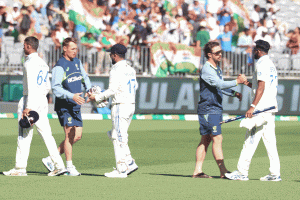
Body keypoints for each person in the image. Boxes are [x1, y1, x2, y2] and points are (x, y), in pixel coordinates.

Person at [3, 36, 66, 176]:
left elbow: (31, 85)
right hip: (42, 100)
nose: (23, 48)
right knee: (47, 134)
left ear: (28, 46)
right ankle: (59, 165)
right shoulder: (43, 63)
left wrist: (28, 106)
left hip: (30, 99)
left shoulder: (29, 63)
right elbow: (47, 86)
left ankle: (20, 168)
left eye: (24, 45)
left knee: (24, 133)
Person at [225, 40, 281, 181]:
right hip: (269, 108)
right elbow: (259, 87)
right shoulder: (271, 65)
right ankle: (275, 174)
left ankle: (242, 172)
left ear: (258, 51)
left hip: (261, 109)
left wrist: (252, 106)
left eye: (254, 49)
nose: (253, 52)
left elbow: (261, 88)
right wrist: (246, 83)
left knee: (250, 139)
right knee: (270, 142)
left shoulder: (262, 64)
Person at [193, 41, 246, 178]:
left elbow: (220, 87)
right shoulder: (207, 69)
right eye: (217, 53)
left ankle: (197, 171)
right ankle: (223, 172)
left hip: (214, 108)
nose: (220, 55)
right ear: (209, 55)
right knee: (217, 138)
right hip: (209, 109)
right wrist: (237, 82)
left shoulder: (216, 68)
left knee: (205, 139)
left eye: (221, 52)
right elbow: (218, 84)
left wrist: (234, 93)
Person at [42, 37, 92, 176]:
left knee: (78, 136)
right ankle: (69, 167)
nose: (75, 52)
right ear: (65, 49)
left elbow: (84, 77)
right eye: (72, 49)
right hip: (64, 105)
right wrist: (72, 96)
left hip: (75, 105)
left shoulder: (77, 62)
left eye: (76, 49)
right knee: (69, 135)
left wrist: (89, 89)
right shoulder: (60, 66)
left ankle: (52, 158)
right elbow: (56, 89)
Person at [88, 44, 138, 178]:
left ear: (115, 55)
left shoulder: (115, 69)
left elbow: (112, 90)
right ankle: (129, 161)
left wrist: (97, 97)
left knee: (119, 137)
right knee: (114, 134)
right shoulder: (130, 69)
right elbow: (135, 86)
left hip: (120, 105)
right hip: (131, 104)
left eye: (111, 54)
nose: (110, 56)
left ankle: (121, 169)